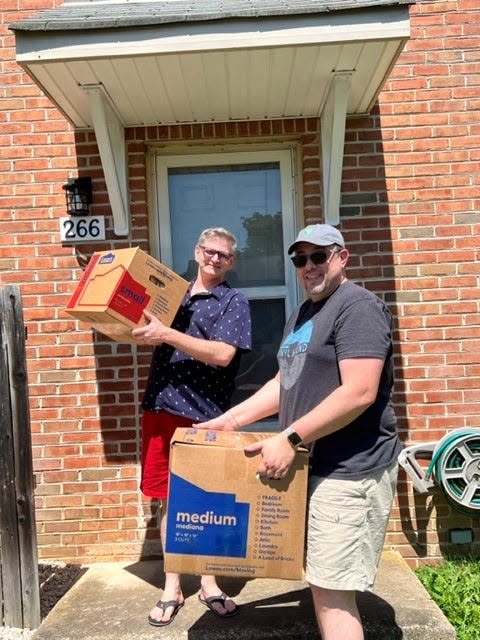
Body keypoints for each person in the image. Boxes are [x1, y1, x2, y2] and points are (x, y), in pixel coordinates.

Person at [198, 224, 402, 640]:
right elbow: (282, 382)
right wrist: (231, 421)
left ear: (341, 257)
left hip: (350, 470)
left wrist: (289, 438)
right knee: (322, 581)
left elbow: (360, 391)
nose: (308, 266)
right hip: (314, 467)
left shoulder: (358, 307)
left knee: (332, 594)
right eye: (299, 259)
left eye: (318, 256)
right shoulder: (303, 312)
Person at [132, 227, 252, 627]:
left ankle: (209, 582)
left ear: (231, 261)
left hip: (206, 415)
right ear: (197, 251)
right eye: (209, 251)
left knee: (207, 504)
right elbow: (138, 326)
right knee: (168, 500)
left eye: (224, 255)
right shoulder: (172, 294)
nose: (215, 259)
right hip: (161, 408)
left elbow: (222, 354)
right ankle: (172, 586)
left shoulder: (234, 301)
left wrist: (166, 333)